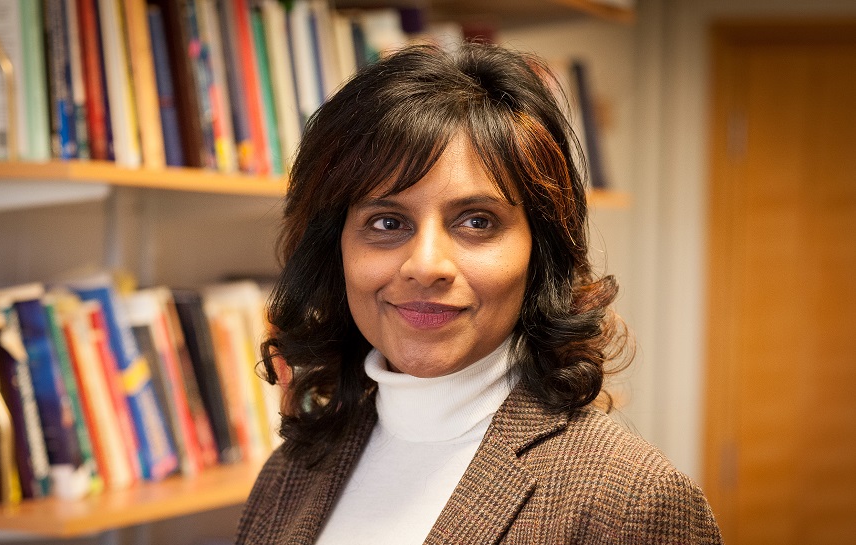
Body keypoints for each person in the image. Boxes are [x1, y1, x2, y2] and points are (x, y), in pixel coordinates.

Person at [234, 43, 722, 544]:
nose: (426, 266)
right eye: (386, 221)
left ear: (541, 253)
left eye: (477, 221)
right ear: (333, 251)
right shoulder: (292, 470)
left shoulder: (630, 501)